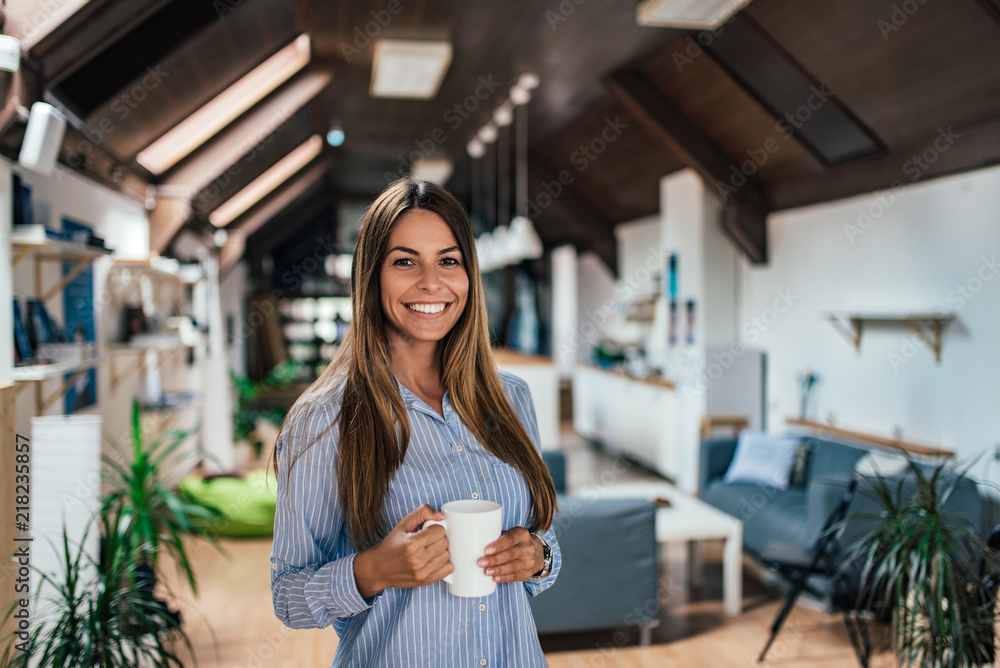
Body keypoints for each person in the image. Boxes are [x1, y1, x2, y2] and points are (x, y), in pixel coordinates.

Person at [270, 178, 561, 667]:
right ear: (371, 277)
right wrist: (373, 571)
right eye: (405, 261)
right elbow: (288, 596)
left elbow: (546, 541)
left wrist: (538, 556)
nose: (432, 282)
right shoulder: (323, 419)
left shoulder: (512, 398)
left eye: (449, 261)